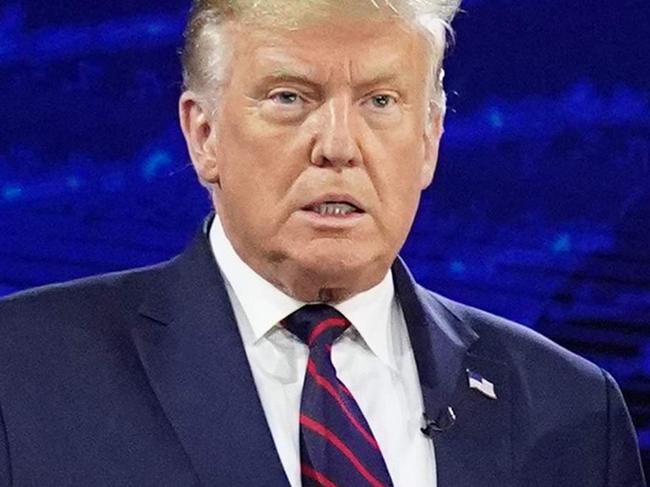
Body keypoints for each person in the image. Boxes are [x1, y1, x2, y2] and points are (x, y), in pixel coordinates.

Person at [0, 0, 645, 485]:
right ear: (204, 136)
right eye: (289, 97)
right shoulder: (24, 370)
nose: (338, 145)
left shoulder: (575, 413)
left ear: (430, 139)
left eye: (381, 101)